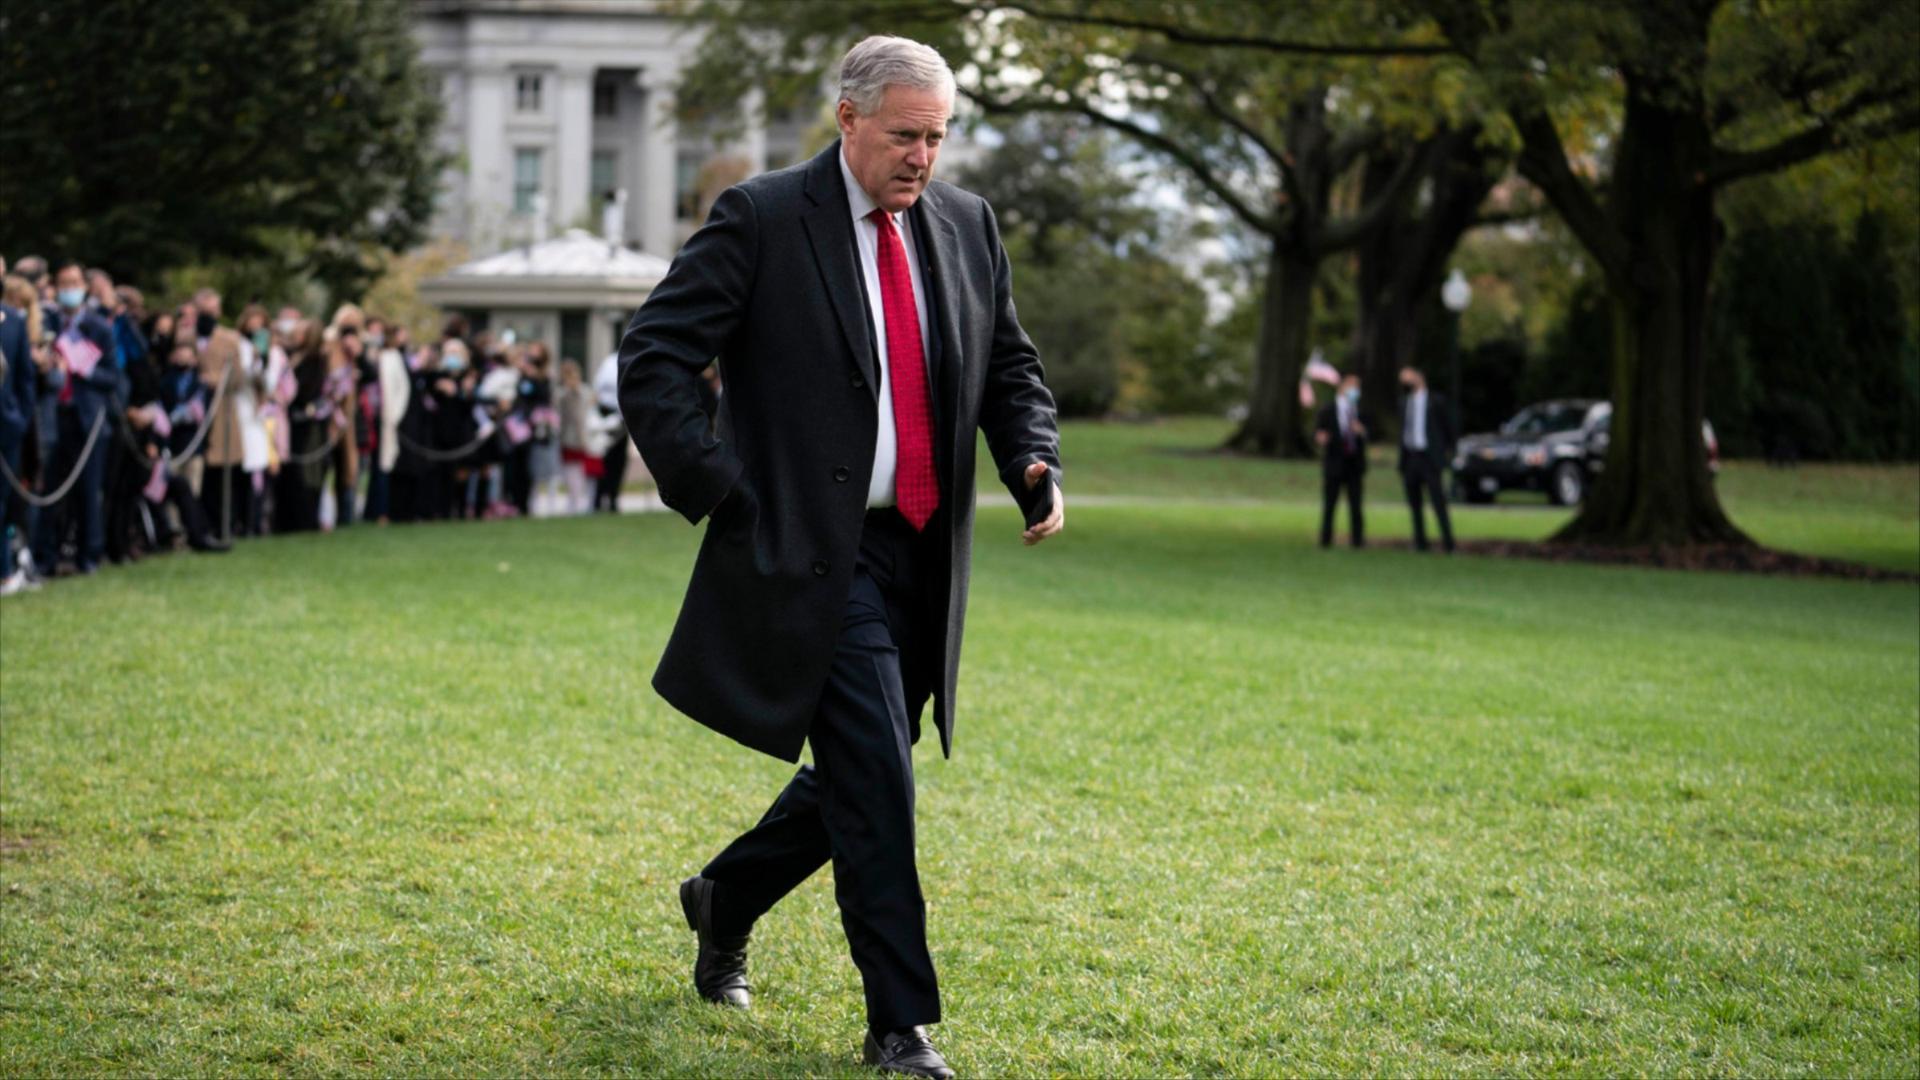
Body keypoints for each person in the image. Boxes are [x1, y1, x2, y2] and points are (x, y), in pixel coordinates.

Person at [619, 36, 1062, 1080]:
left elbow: (1007, 362)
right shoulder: (763, 217)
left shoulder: (965, 223)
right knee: (878, 780)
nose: (924, 157)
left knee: (870, 769)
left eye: (938, 137)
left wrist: (1032, 457)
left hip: (925, 551)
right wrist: (723, 491)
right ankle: (898, 1025)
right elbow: (655, 356)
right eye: (906, 135)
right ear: (848, 119)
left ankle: (724, 896)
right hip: (817, 554)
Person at [29, 264, 121, 578]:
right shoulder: (47, 322)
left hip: (88, 418)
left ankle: (88, 555)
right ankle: (45, 556)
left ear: (84, 286)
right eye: (64, 283)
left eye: (75, 283)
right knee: (50, 490)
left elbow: (112, 378)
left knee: (87, 489)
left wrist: (84, 368)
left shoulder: (99, 327)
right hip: (55, 416)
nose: (69, 288)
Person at [1397, 365, 1455, 553]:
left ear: (1419, 376)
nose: (1405, 381)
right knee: (1414, 503)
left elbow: (1449, 428)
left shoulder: (1436, 401)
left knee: (1438, 501)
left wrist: (1446, 452)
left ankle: (1448, 542)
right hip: (1411, 458)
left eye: (1408, 377)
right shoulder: (1404, 402)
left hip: (1429, 458)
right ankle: (1420, 542)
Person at [1315, 371, 1368, 549]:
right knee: (1330, 503)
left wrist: (1361, 431)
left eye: (1357, 387)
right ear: (1342, 387)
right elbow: (1319, 433)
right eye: (1352, 386)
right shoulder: (1328, 410)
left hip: (1354, 464)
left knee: (1356, 505)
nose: (1355, 390)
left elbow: (1371, 434)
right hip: (1334, 462)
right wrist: (1321, 437)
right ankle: (1325, 539)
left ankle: (1358, 541)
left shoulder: (1360, 411)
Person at [555, 358, 595, 515]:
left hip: (585, 437)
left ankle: (584, 502)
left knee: (587, 473)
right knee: (571, 472)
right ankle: (574, 501)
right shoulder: (562, 394)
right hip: (568, 439)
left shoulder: (585, 391)